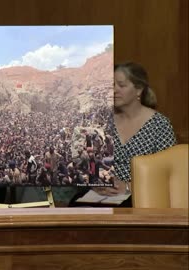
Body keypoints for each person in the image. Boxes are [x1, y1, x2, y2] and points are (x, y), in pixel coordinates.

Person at [70, 62, 177, 206]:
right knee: (76, 206)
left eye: (121, 85)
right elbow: (93, 162)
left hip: (142, 197)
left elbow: (168, 174)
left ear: (139, 90)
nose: (114, 90)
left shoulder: (160, 125)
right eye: (112, 85)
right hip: (102, 195)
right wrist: (97, 182)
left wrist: (128, 186)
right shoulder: (106, 123)